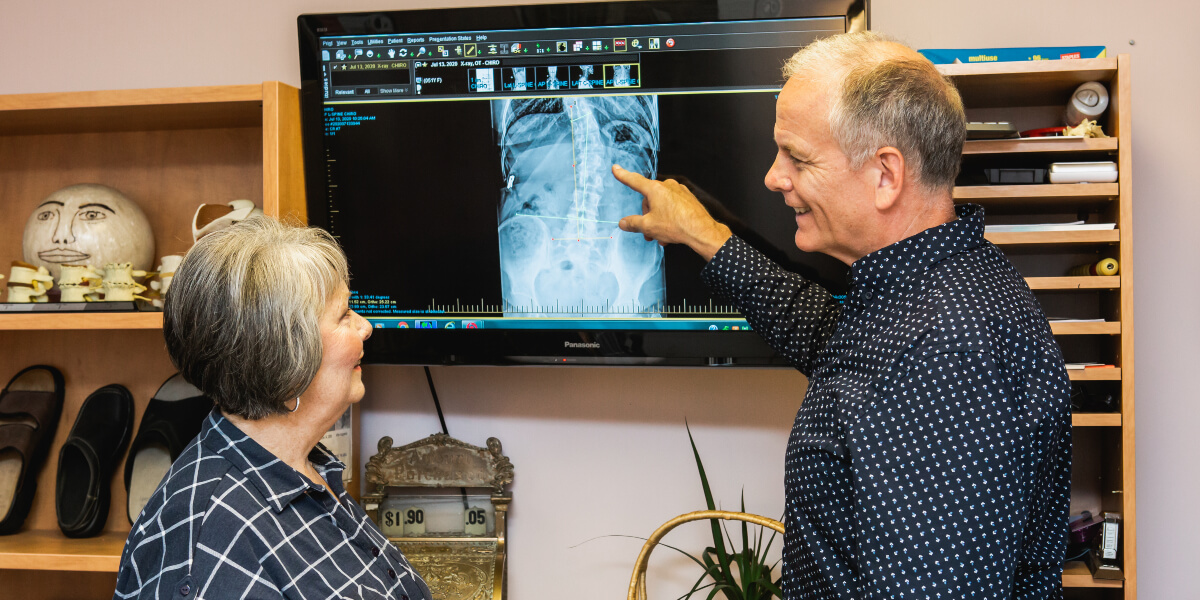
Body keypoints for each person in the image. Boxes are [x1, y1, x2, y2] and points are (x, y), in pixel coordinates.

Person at [613, 32, 1071, 599]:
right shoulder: (924, 289)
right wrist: (704, 236)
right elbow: (835, 343)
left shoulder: (946, 353)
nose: (773, 178)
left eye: (797, 158)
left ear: (885, 174)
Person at [114, 217, 431, 600]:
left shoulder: (304, 465)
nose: (365, 327)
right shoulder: (208, 538)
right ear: (287, 358)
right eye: (345, 314)